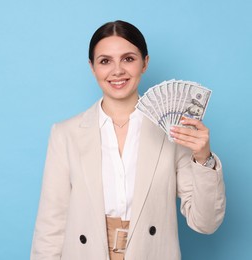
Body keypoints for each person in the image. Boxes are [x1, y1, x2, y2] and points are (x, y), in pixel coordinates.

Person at [30, 20, 225, 260]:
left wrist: (203, 157)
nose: (117, 71)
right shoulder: (65, 134)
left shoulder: (172, 132)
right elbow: (51, 227)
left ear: (145, 63)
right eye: (105, 61)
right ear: (92, 67)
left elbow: (205, 223)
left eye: (128, 59)